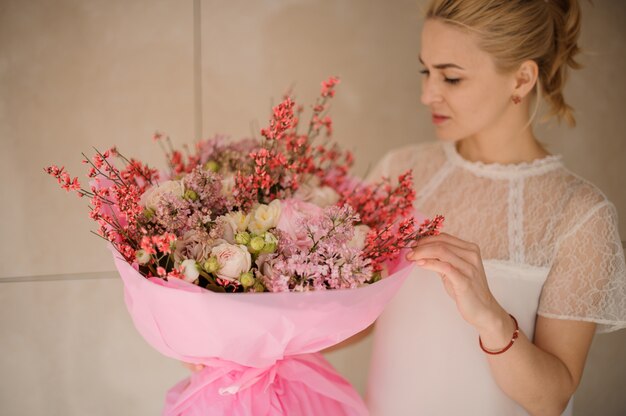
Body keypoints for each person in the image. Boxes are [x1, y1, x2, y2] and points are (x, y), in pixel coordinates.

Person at [365, 0, 626, 415]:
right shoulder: (399, 171)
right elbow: (348, 321)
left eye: (451, 77)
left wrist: (490, 315)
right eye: (426, 71)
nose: (426, 94)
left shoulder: (580, 213)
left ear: (521, 78)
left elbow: (551, 398)